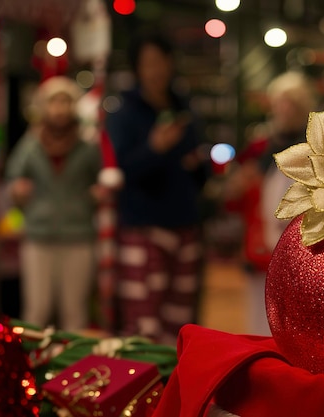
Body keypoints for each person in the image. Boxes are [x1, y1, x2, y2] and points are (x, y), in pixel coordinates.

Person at [105, 32, 210, 345]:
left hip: (185, 225)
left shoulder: (184, 109)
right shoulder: (125, 112)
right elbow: (118, 171)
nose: (156, 70)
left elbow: (198, 171)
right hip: (143, 226)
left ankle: (176, 386)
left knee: (182, 322)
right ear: (137, 68)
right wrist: (154, 148)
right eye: (148, 63)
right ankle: (145, 388)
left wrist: (198, 165)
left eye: (161, 61)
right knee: (143, 322)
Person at [5, 76, 101, 332]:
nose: (59, 108)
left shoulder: (87, 146)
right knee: (37, 310)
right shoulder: (31, 145)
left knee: (75, 312)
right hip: (39, 235)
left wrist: (97, 195)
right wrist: (17, 191)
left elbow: (102, 178)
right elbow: (12, 178)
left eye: (65, 101)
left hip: (78, 234)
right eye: (53, 102)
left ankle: (75, 368)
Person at [224, 71, 318, 335]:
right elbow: (232, 194)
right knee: (257, 315)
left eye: (291, 103)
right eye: (280, 102)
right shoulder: (259, 148)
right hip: (260, 243)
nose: (285, 109)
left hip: (298, 244)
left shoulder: (314, 148)